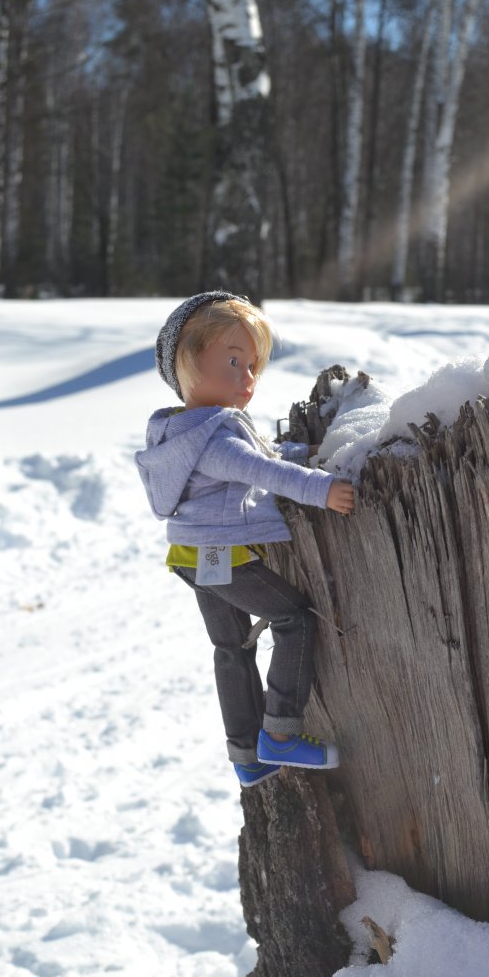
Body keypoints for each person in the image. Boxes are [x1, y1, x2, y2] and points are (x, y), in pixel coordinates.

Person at [135, 291, 355, 788]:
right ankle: (279, 734)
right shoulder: (213, 436)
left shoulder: (182, 432)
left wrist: (305, 450)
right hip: (223, 558)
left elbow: (263, 452)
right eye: (233, 361)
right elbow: (260, 469)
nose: (248, 378)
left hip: (193, 558)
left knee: (231, 648)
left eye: (254, 366)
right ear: (186, 364)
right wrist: (323, 491)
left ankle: (246, 756)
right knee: (293, 618)